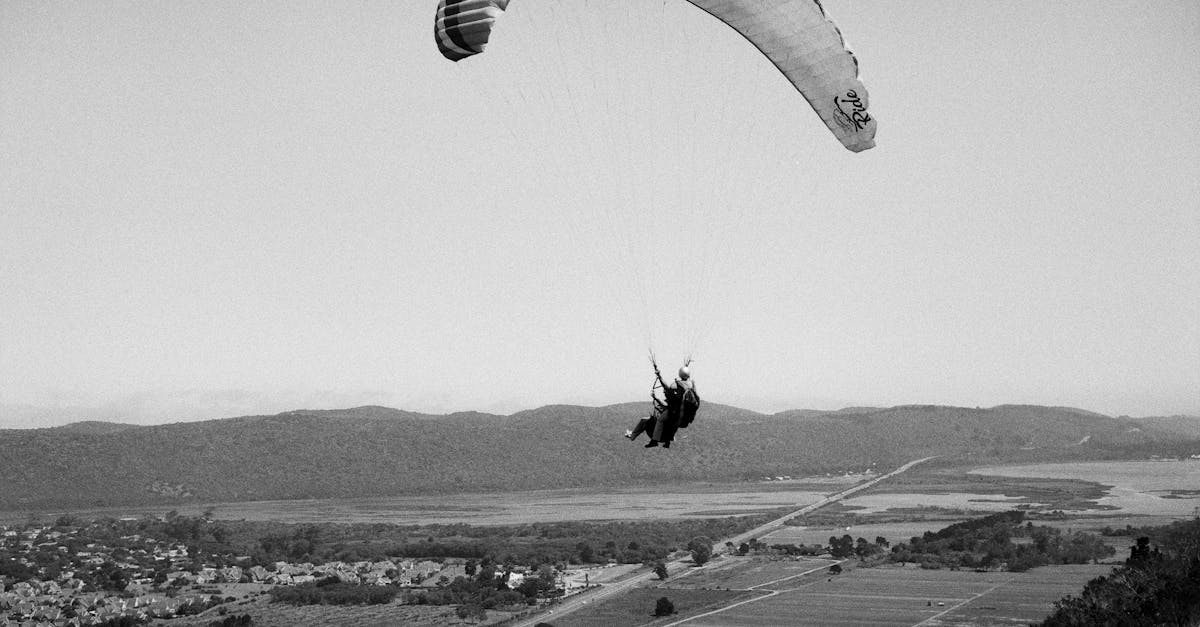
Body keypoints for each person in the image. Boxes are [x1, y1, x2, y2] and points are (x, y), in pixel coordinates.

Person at [625, 362, 699, 448]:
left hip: (675, 412)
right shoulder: (691, 384)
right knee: (673, 421)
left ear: (680, 374)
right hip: (684, 416)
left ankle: (654, 441)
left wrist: (659, 377)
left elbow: (666, 388)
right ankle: (668, 440)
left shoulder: (677, 385)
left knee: (660, 420)